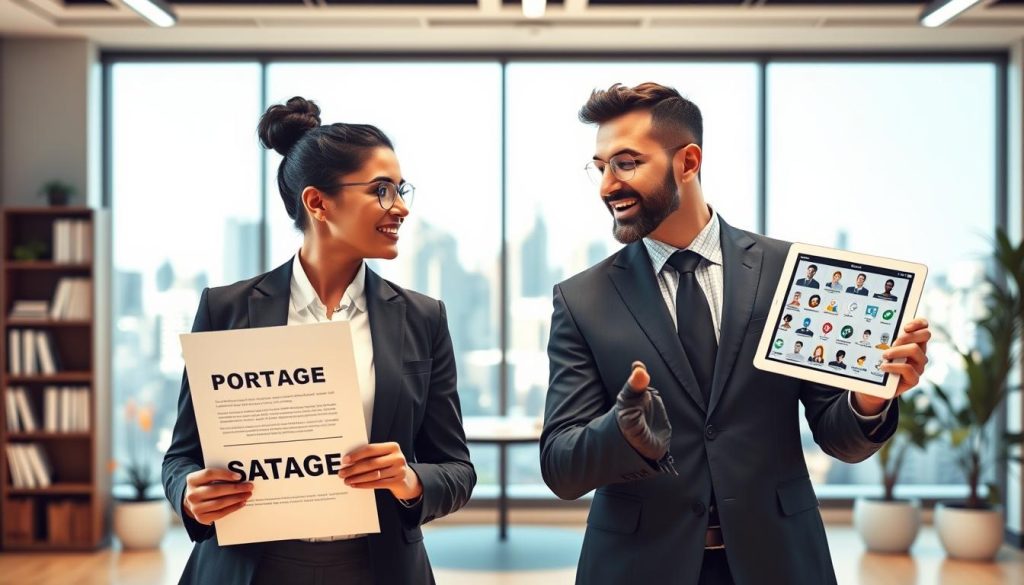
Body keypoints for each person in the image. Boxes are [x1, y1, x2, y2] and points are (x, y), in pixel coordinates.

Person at [539, 83, 930, 585]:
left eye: (626, 162)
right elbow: (560, 466)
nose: (606, 185)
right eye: (600, 167)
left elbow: (839, 439)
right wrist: (621, 432)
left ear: (688, 161)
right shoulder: (581, 300)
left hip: (779, 561)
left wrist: (870, 398)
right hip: (639, 566)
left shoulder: (790, 273)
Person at [162, 97, 476, 585]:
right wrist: (188, 491)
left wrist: (408, 479)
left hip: (377, 568)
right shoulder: (225, 310)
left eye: (401, 188)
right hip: (248, 567)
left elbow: (456, 468)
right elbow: (182, 455)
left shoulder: (422, 317)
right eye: (381, 190)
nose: (402, 207)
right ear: (317, 202)